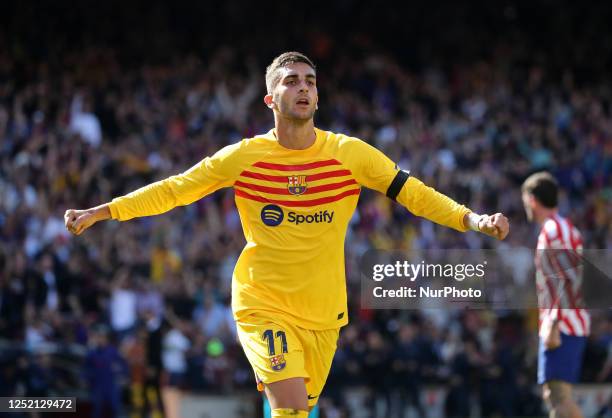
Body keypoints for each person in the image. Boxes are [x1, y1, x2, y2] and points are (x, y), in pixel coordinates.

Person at [65, 51, 509, 418]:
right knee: (292, 409)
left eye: (310, 81)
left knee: (296, 410)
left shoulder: (349, 155)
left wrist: (472, 220)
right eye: (292, 80)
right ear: (270, 98)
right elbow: (176, 189)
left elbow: (416, 194)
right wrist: (106, 210)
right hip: (263, 301)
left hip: (322, 312)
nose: (303, 88)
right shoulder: (245, 157)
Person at [522, 171, 590, 418]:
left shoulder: (554, 230)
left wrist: (553, 319)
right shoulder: (559, 228)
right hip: (566, 321)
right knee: (556, 394)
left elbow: (569, 276)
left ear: (531, 199)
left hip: (564, 323)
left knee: (557, 395)